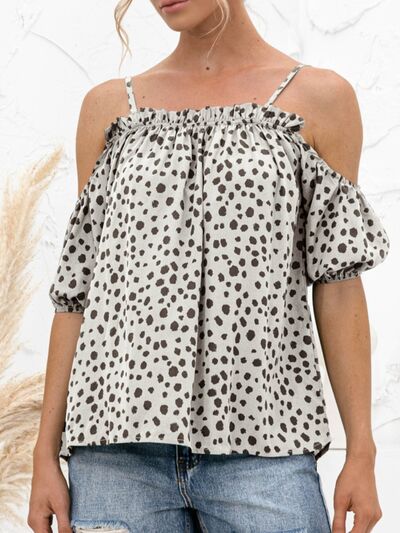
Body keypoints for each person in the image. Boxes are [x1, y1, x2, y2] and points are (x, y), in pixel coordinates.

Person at [28, 1, 390, 532]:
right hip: (115, 455)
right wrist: (44, 453)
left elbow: (337, 283)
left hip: (264, 448)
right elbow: (79, 294)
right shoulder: (110, 110)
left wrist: (361, 450)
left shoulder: (319, 99)